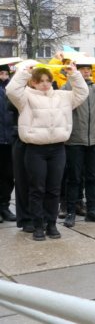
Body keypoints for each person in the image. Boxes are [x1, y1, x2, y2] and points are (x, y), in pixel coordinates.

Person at [6, 63, 89, 240]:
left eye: (47, 80)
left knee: (54, 189)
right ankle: (37, 226)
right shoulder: (25, 97)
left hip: (57, 149)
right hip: (35, 150)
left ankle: (51, 224)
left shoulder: (63, 96)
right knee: (37, 189)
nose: (44, 84)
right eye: (40, 81)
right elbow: (12, 91)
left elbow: (82, 93)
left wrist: (73, 74)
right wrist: (24, 73)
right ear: (33, 83)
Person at [62, 58, 95, 228]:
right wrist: (72, 76)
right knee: (74, 178)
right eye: (83, 69)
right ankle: (71, 211)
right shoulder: (69, 87)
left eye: (89, 70)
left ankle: (92, 210)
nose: (86, 72)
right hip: (75, 141)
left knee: (92, 178)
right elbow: (64, 96)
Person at [0, 63, 17, 222]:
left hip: (9, 139)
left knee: (8, 175)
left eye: (5, 73)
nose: (3, 76)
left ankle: (4, 206)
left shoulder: (11, 89)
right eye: (1, 73)